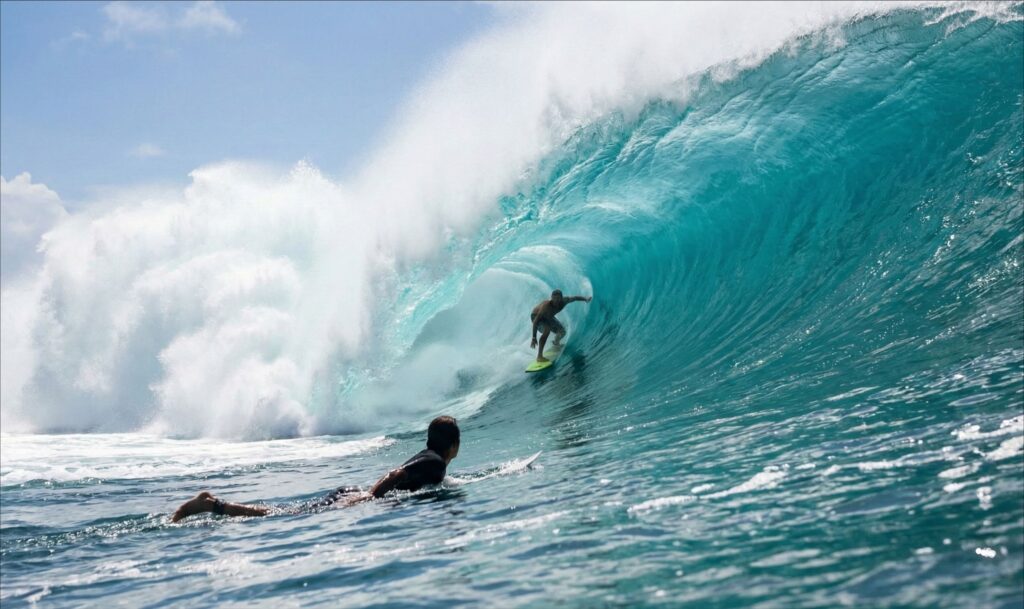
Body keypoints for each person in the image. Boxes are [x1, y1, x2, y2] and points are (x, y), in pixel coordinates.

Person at [171, 416, 461, 522]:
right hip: (355, 496)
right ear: (454, 447)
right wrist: (370, 498)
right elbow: (395, 475)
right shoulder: (436, 464)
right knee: (281, 516)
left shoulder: (429, 458)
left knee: (288, 513)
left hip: (350, 492)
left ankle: (215, 504)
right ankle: (213, 505)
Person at [530, 289, 592, 362]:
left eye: (558, 298)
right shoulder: (546, 306)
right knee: (547, 330)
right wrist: (534, 337)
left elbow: (575, 298)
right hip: (536, 316)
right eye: (554, 298)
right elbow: (536, 321)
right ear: (551, 297)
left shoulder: (564, 301)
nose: (556, 300)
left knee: (562, 332)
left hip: (548, 316)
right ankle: (539, 356)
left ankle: (556, 342)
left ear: (561, 298)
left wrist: (585, 299)